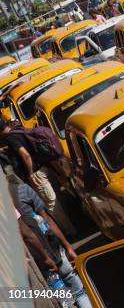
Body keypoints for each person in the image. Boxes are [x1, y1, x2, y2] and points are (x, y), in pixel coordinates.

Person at [8, 175, 92, 308]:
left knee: (67, 303)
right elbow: (46, 220)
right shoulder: (22, 190)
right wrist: (67, 247)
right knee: (79, 293)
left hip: (38, 265)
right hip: (54, 252)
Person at [0, 119, 56, 212]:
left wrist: (30, 174)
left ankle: (65, 226)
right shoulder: (18, 129)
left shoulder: (10, 138)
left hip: (37, 175)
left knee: (52, 206)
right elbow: (22, 145)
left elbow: (26, 155)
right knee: (58, 200)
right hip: (45, 167)